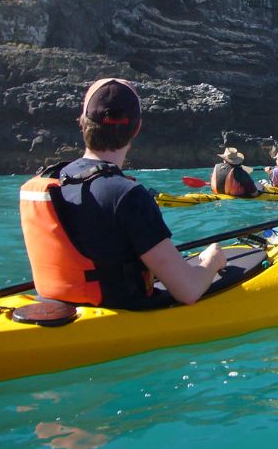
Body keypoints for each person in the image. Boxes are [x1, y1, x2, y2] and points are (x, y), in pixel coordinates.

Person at [20, 78, 227, 309]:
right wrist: (212, 260)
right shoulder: (127, 195)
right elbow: (188, 291)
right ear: (136, 129)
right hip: (118, 311)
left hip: (55, 304)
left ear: (83, 122)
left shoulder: (54, 178)